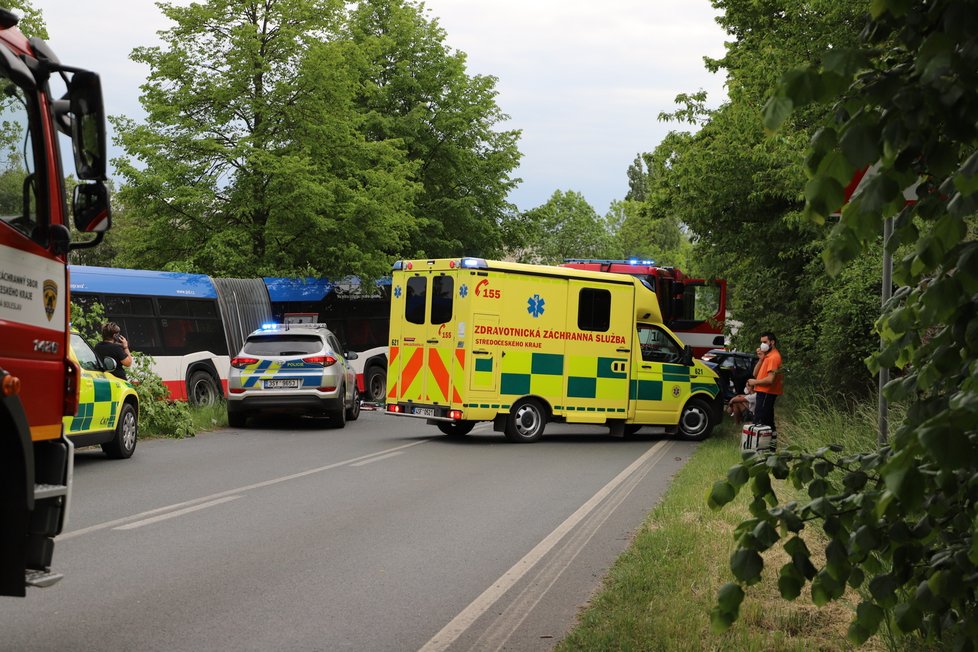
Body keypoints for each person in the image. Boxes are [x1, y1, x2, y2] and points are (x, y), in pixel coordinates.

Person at [746, 331, 783, 432]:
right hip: (763, 392)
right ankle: (770, 446)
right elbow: (755, 373)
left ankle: (759, 446)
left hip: (767, 393)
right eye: (761, 342)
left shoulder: (773, 357)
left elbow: (770, 379)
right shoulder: (767, 356)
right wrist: (761, 359)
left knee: (760, 422)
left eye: (765, 342)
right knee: (768, 422)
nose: (762, 345)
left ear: (772, 342)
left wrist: (755, 383)